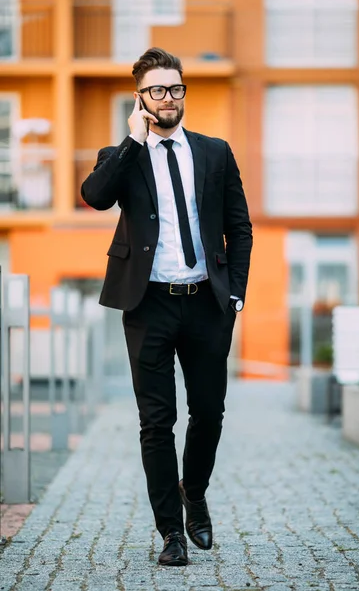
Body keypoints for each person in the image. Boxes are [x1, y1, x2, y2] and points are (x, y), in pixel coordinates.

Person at [81, 47, 252, 566]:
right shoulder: (122, 155)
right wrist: (134, 138)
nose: (169, 97)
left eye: (176, 88)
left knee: (209, 414)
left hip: (206, 303)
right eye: (158, 89)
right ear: (141, 98)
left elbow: (239, 226)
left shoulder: (215, 152)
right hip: (149, 304)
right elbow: (94, 196)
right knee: (156, 422)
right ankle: (171, 534)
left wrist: (236, 290)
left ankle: (193, 491)